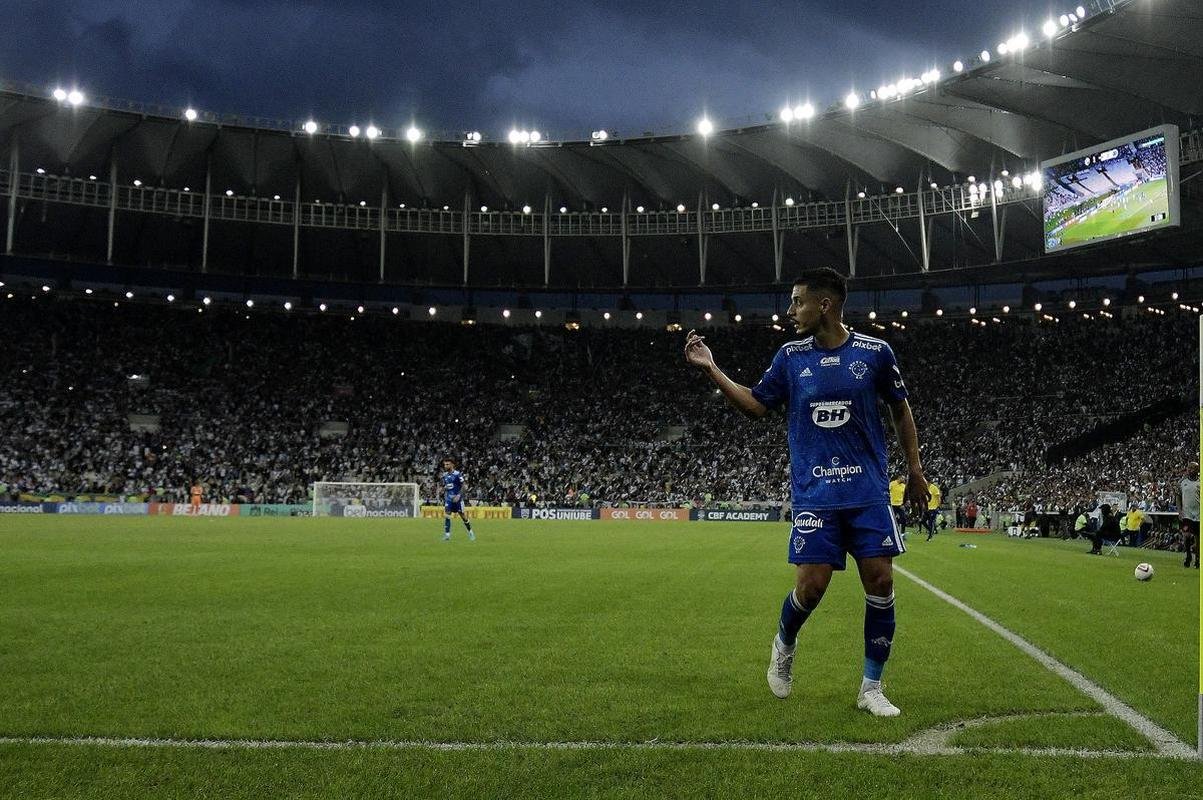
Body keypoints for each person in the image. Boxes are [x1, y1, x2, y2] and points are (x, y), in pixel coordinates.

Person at [684, 267, 928, 718]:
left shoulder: (875, 353)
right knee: (811, 588)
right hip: (815, 494)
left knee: (881, 581)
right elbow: (756, 405)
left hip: (868, 491)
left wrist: (915, 470)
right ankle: (784, 642)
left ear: (826, 305)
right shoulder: (791, 357)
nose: (791, 310)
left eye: (798, 302)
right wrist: (712, 369)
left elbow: (900, 408)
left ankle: (871, 687)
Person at [440, 458, 476, 542]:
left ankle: (471, 533)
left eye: (448, 464)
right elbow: (447, 486)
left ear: (452, 465)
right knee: (447, 515)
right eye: (445, 464)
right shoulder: (445, 475)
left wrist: (459, 496)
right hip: (449, 499)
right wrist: (444, 489)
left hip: (458, 499)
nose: (446, 466)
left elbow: (464, 486)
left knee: (463, 516)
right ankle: (447, 535)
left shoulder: (457, 474)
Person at [1179, 462, 1199, 568]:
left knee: (1198, 538)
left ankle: (1198, 559)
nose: (1191, 470)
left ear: (1198, 470)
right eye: (1189, 468)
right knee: (1186, 536)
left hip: (1199, 514)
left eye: (1194, 468)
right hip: (1187, 514)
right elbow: (1178, 496)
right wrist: (1179, 511)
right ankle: (1188, 556)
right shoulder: (1182, 482)